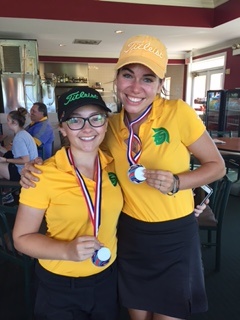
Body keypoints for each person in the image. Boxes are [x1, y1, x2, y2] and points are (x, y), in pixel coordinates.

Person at [19, 35, 225, 320]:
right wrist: (34, 165)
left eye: (148, 79)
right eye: (128, 75)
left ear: (160, 85)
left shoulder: (177, 113)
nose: (136, 87)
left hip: (174, 235)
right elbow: (79, 147)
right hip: (129, 235)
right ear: (116, 80)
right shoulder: (109, 125)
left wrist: (180, 183)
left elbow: (217, 166)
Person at [13, 87, 123, 320]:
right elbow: (21, 239)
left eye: (96, 118)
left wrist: (193, 205)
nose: (87, 128)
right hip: (60, 287)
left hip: (107, 279)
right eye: (75, 120)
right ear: (62, 128)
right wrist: (66, 250)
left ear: (105, 124)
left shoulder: (117, 166)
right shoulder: (42, 174)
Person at [0, 107, 38, 204]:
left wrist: (5, 160)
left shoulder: (19, 138)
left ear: (14, 122)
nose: (7, 122)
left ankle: (8, 194)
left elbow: (25, 159)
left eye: (8, 120)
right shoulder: (23, 133)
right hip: (29, 168)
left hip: (23, 171)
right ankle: (7, 193)